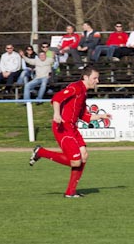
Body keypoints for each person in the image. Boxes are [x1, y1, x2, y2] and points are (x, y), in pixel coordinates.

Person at [28, 66, 111, 198]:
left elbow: (84, 116)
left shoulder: (83, 92)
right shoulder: (75, 87)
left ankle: (70, 192)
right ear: (86, 77)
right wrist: (57, 114)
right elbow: (57, 98)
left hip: (72, 128)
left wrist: (101, 116)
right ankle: (41, 152)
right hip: (62, 127)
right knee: (76, 161)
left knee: (84, 156)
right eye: (95, 78)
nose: (97, 81)